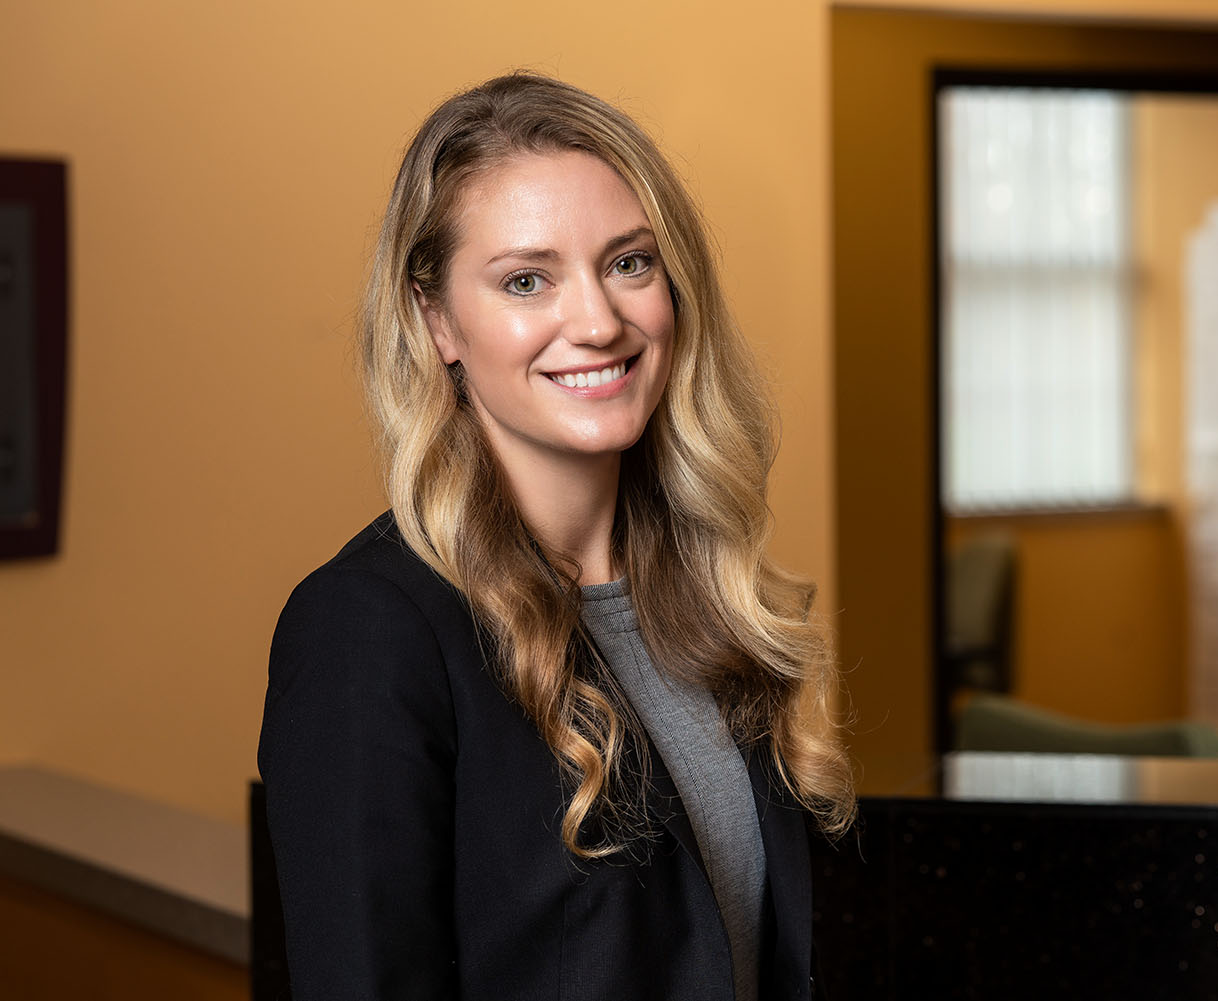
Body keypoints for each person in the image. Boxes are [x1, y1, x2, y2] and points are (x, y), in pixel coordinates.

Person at [257, 72, 855, 1001]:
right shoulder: (369, 629)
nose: (598, 322)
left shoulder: (707, 596)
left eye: (628, 262)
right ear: (437, 319)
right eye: (527, 280)